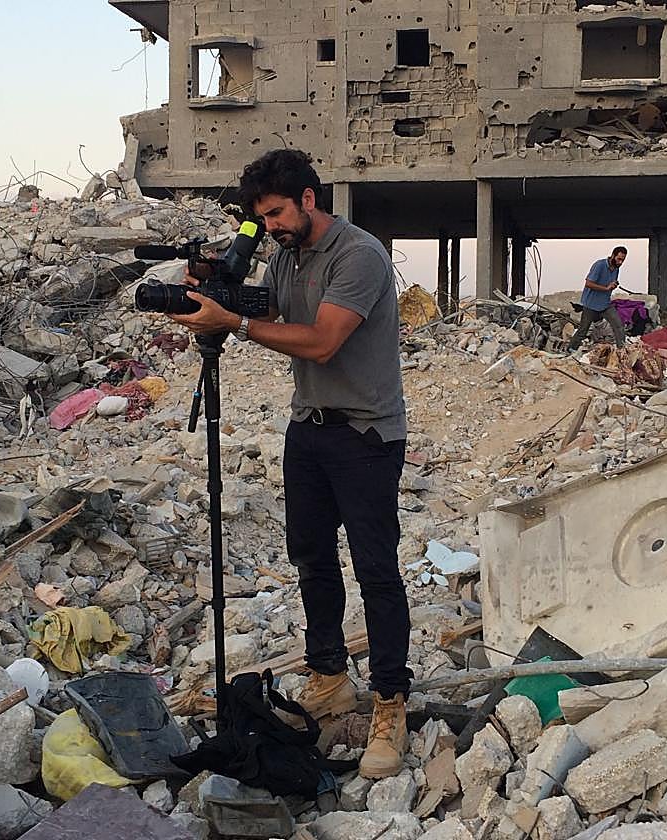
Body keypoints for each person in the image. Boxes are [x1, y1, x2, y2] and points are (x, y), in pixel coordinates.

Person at [167, 148, 411, 780]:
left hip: (364, 436)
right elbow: (271, 309)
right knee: (311, 557)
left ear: (308, 199)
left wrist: (235, 323)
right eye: (261, 218)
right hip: (310, 429)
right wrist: (216, 290)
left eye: (276, 213)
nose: (269, 226)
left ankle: (391, 702)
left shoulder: (358, 255)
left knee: (377, 571)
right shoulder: (286, 253)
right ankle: (330, 675)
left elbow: (325, 341)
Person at [567, 246, 628, 352]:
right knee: (583, 330)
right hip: (591, 304)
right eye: (619, 259)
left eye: (623, 260)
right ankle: (570, 350)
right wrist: (606, 288)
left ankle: (622, 351)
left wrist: (612, 286)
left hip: (605, 304)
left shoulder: (616, 269)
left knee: (619, 326)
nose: (620, 262)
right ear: (613, 256)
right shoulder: (599, 265)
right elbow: (588, 283)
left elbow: (609, 285)